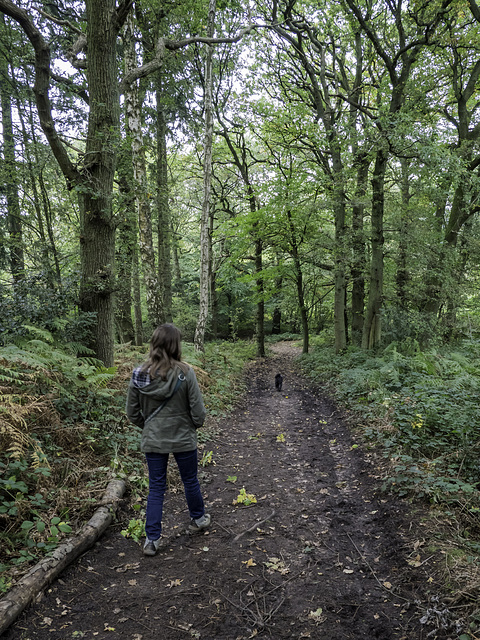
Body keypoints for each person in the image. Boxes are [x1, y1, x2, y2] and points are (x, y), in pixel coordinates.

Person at [126, 324, 210, 556]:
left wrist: (149, 427)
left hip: (154, 440)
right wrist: (192, 426)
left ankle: (152, 540)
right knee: (190, 480)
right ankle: (198, 519)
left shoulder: (139, 374)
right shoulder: (185, 372)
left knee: (156, 487)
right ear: (176, 345)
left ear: (154, 343)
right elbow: (199, 413)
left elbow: (132, 413)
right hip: (183, 438)